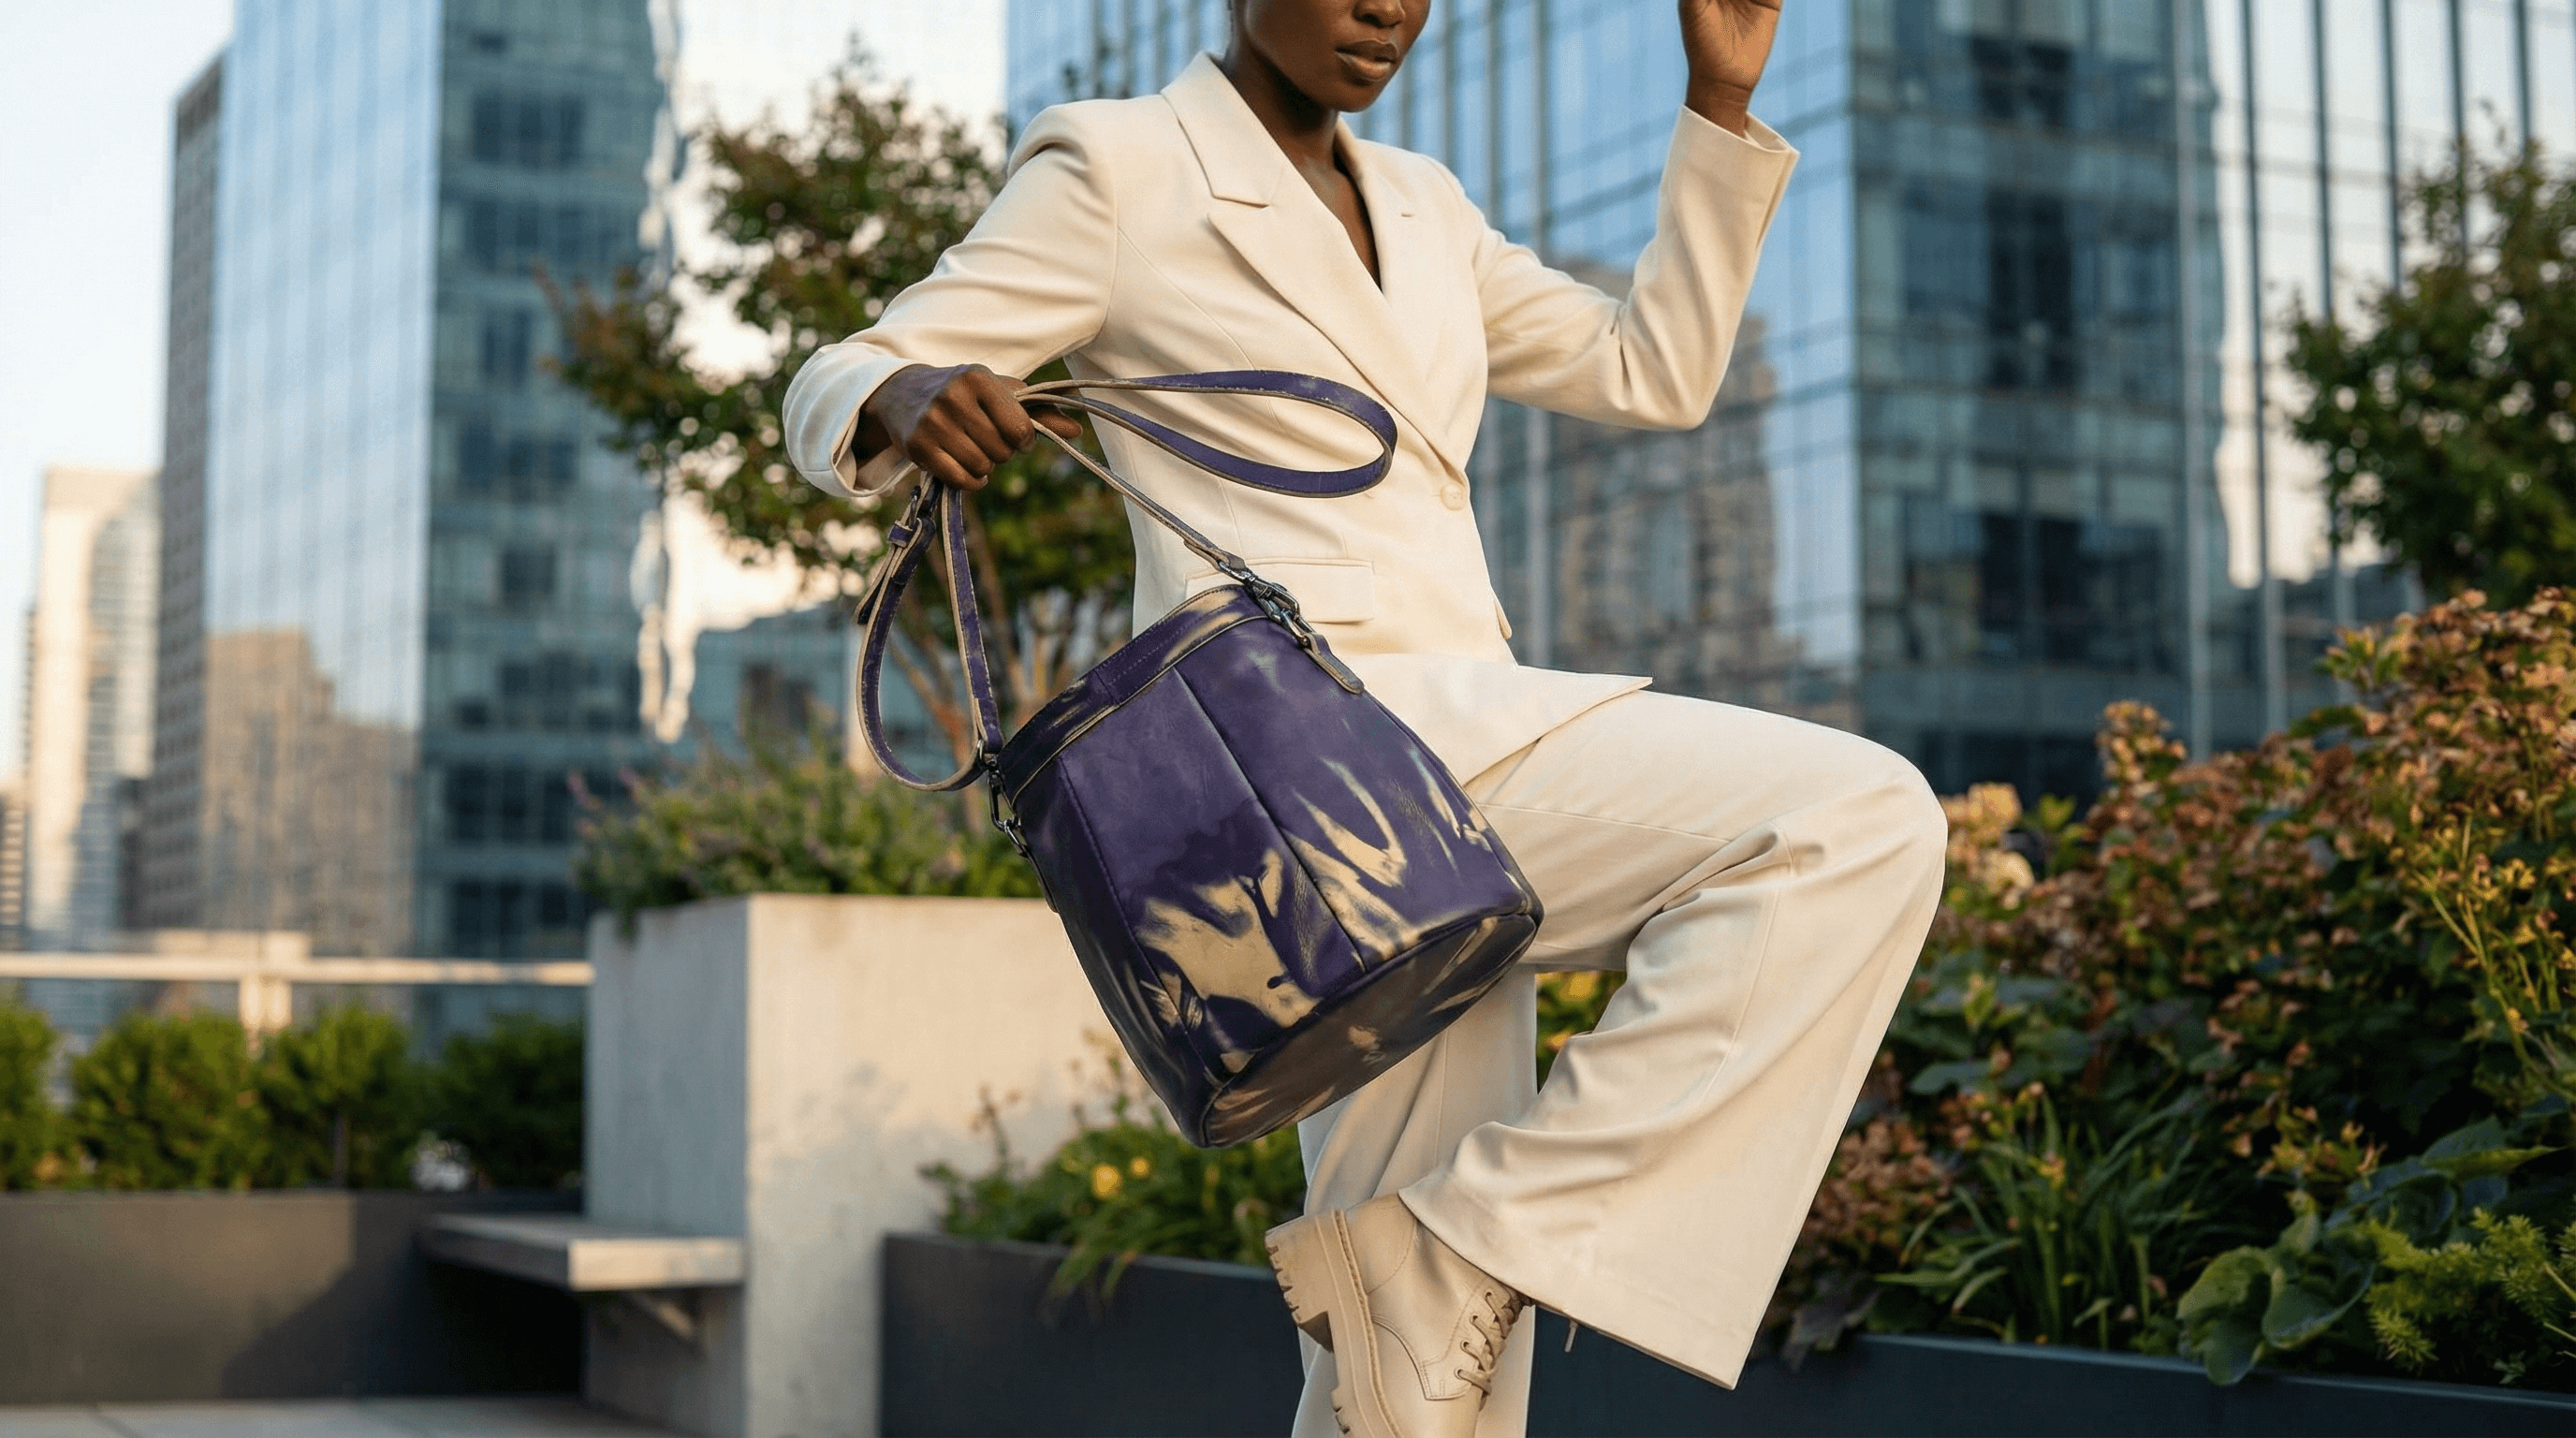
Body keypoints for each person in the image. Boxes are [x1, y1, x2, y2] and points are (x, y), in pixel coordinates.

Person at [782, 3, 1948, 1433]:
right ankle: (1463, 1243)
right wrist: (899, 390)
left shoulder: (1427, 205)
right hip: (1313, 771)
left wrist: (1716, 100)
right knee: (1849, 818)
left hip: (1450, 760)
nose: (1387, 5)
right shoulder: (1121, 164)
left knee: (1409, 1384)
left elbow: (1654, 370)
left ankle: (1435, 1259)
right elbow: (844, 366)